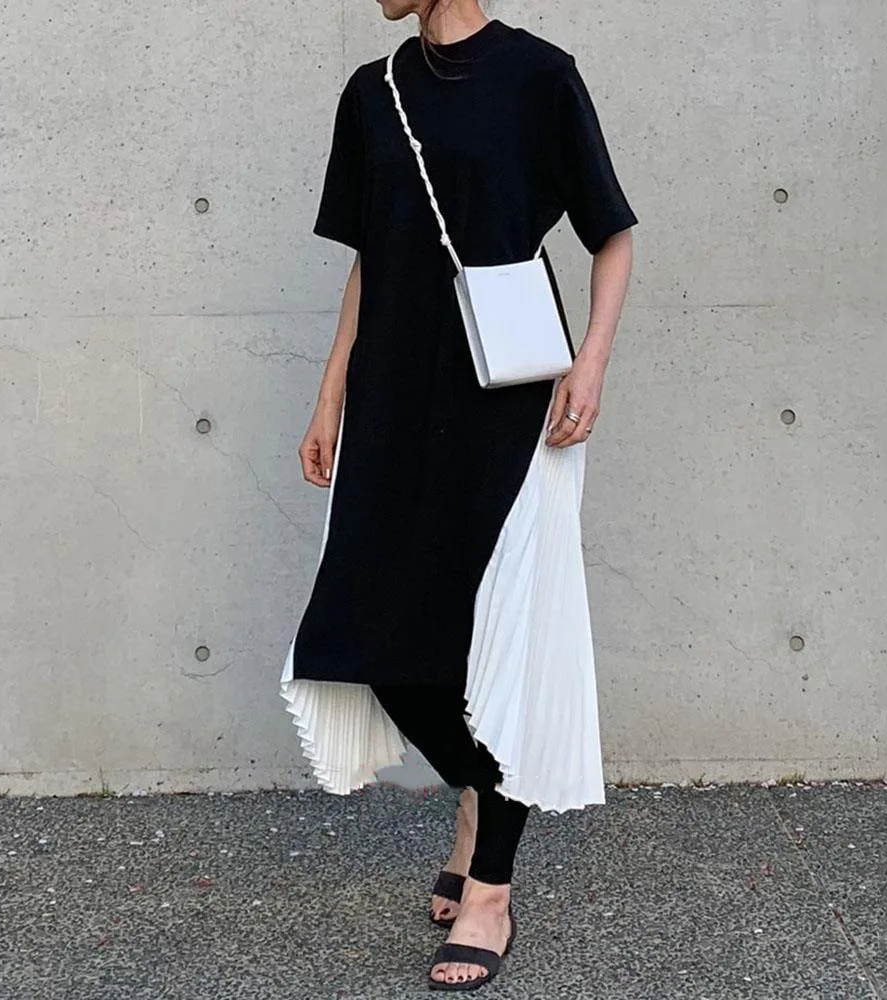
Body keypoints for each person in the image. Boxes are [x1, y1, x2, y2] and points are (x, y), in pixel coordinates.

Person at [280, 0, 637, 990]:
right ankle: (483, 792)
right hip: (394, 395)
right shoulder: (373, 93)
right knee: (366, 637)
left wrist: (592, 365)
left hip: (509, 403)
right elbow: (372, 256)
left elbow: (612, 234)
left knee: (503, 642)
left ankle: (491, 890)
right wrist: (330, 394)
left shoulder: (539, 76)